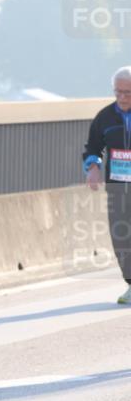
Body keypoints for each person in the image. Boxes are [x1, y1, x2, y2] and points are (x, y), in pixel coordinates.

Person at [84, 66, 131, 304]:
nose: (122, 97)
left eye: (128, 92)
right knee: (121, 236)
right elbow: (93, 147)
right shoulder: (104, 117)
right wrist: (93, 168)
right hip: (118, 185)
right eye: (118, 92)